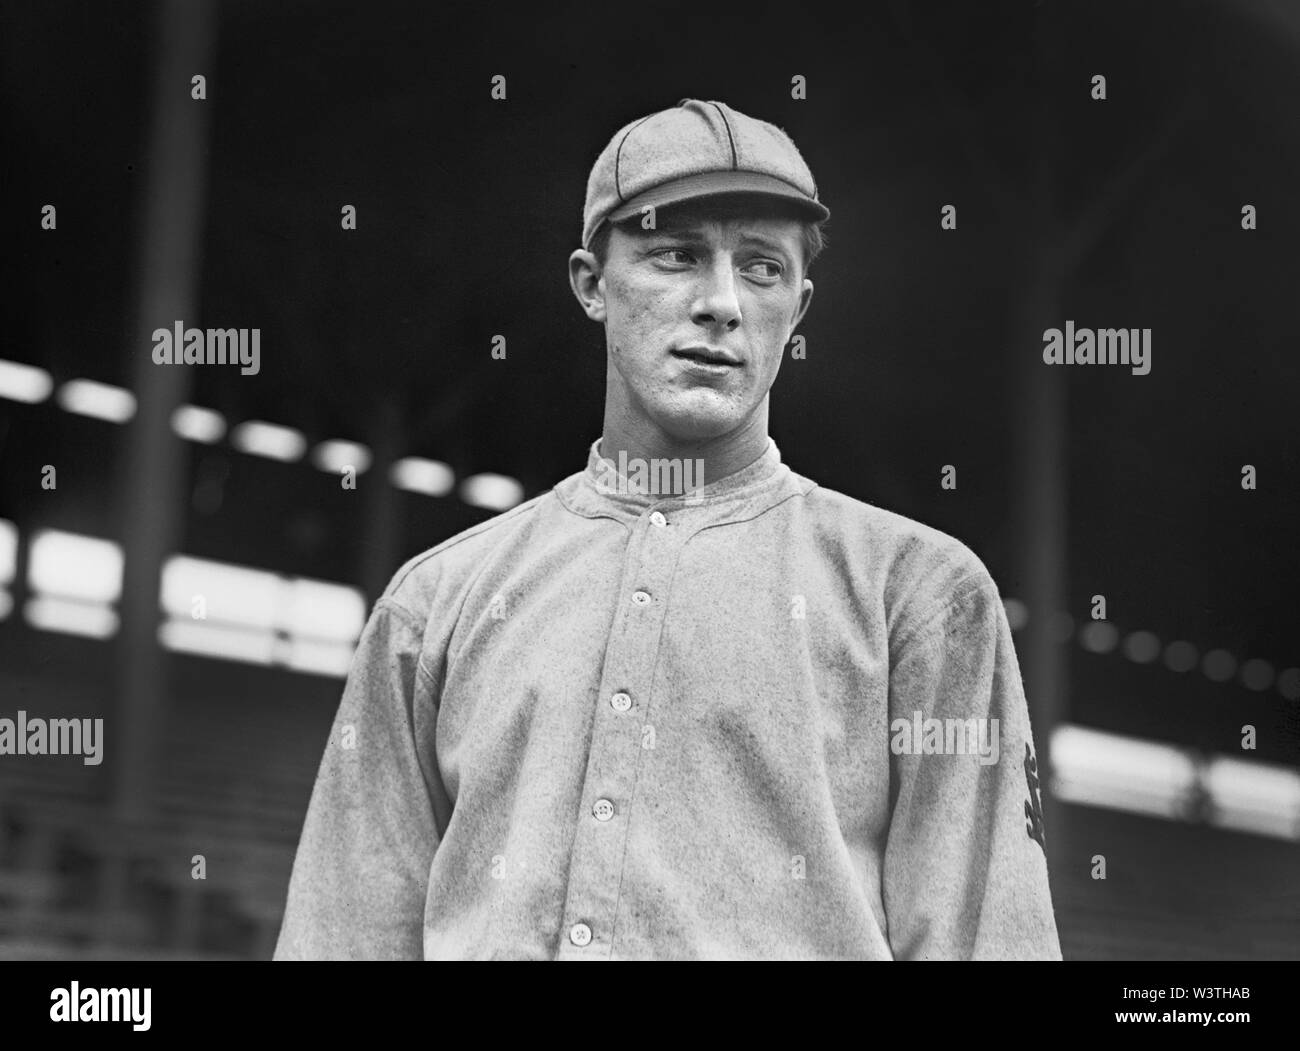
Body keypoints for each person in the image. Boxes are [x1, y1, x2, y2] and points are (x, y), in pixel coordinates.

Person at [274, 98, 1062, 960]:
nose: (721, 302)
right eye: (676, 255)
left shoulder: (921, 593)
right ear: (591, 284)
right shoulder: (435, 603)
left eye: (760, 268)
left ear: (798, 306)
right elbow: (340, 937)